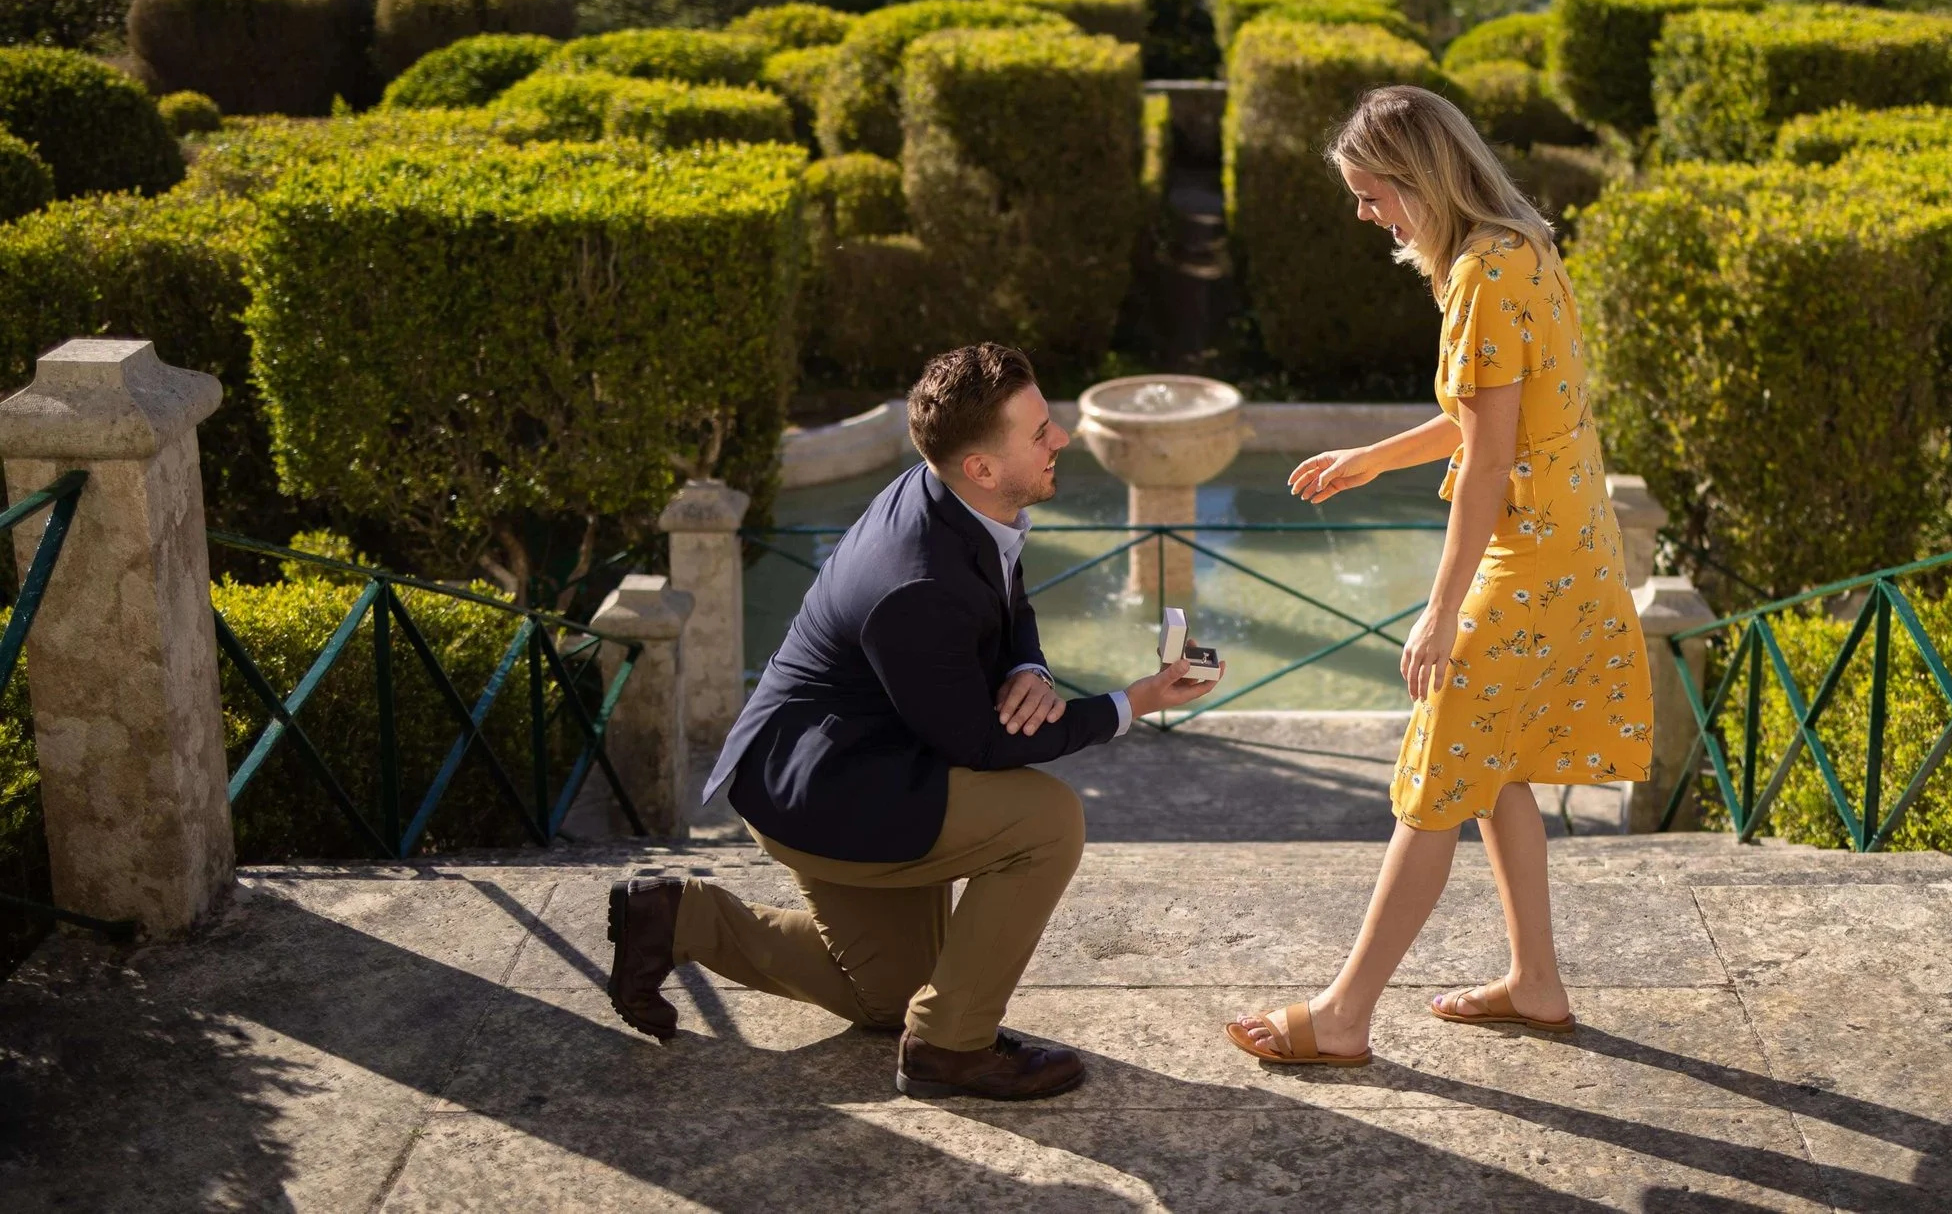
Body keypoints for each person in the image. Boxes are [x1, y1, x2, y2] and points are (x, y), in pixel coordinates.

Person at [606, 342, 1220, 1100]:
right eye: (1039, 434)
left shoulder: (955, 497)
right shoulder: (917, 585)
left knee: (887, 998)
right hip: (823, 785)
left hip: (871, 752)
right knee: (1048, 821)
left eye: (1049, 421)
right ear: (983, 468)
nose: (1060, 438)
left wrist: (1028, 666)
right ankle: (949, 1050)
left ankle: (676, 919)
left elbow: (1005, 589)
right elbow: (978, 744)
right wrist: (1131, 704)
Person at [1226, 85, 1654, 1067]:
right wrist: (1371, 458)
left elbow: (1491, 463)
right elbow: (1489, 425)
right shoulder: (1518, 247)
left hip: (1530, 561)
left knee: (1431, 781)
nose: (1366, 215)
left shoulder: (1482, 276)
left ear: (1417, 179)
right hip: (1570, 546)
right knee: (1493, 769)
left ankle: (1340, 1017)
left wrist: (1438, 612)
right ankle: (1536, 983)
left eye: (1373, 194)